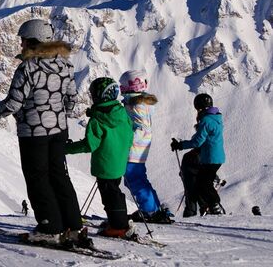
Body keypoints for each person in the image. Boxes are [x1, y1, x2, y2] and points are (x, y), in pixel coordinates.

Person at [0, 19, 90, 248]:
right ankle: (74, 226)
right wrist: (59, 119)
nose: (21, 45)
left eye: (24, 41)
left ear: (34, 41)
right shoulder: (65, 65)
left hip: (33, 133)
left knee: (38, 179)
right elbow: (72, 99)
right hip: (58, 131)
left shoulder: (28, 68)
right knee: (59, 176)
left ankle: (50, 228)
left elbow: (13, 105)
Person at [66, 77, 135, 239]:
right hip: (119, 162)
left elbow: (89, 145)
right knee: (115, 192)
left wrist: (66, 148)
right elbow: (130, 134)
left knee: (109, 197)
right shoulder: (122, 113)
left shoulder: (98, 119)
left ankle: (118, 226)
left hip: (104, 164)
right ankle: (118, 221)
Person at [118, 70, 171, 224]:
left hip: (133, 149)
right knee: (138, 178)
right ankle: (154, 207)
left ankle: (149, 210)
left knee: (134, 179)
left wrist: (125, 142)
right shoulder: (140, 103)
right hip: (140, 148)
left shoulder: (135, 105)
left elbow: (140, 127)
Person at [171, 93, 226, 216]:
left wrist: (180, 145)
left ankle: (215, 206)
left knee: (204, 183)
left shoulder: (206, 120)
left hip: (210, 158)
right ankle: (213, 207)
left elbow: (197, 141)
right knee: (204, 182)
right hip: (215, 156)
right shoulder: (216, 118)